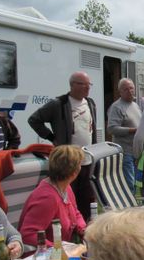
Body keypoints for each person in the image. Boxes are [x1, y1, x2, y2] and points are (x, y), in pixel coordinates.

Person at [28, 71, 96, 221]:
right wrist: (52, 137)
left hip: (87, 160)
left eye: (89, 84)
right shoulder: (59, 104)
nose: (87, 88)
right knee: (68, 197)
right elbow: (34, 120)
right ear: (72, 85)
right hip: (68, 161)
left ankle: (85, 227)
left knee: (87, 197)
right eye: (83, 84)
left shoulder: (90, 103)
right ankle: (69, 226)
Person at [18, 145, 87, 250]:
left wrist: (85, 231)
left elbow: (75, 213)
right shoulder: (47, 198)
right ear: (74, 173)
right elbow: (28, 234)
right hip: (43, 257)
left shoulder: (65, 187)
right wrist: (59, 248)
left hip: (59, 253)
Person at [107, 78, 142, 192]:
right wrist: (133, 130)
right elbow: (111, 128)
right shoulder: (117, 107)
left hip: (137, 151)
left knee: (136, 183)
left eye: (131, 88)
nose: (129, 91)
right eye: (125, 89)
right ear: (120, 92)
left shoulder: (135, 105)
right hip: (125, 151)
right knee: (129, 184)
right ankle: (128, 208)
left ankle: (132, 205)